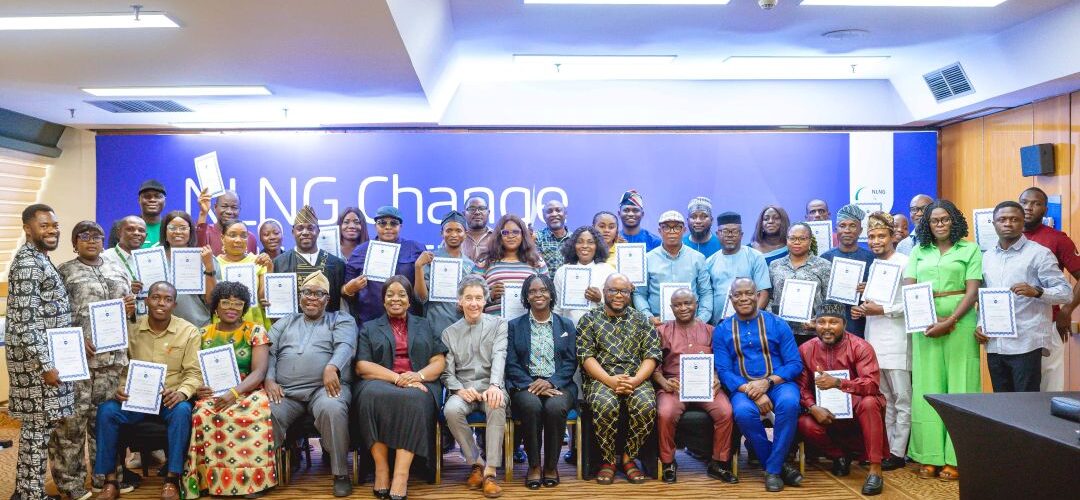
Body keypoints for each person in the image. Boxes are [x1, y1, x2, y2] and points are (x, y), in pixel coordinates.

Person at [51, 221, 136, 500]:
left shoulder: (117, 268)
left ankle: (106, 478)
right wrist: (74, 337)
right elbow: (53, 315)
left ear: (104, 240)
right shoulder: (64, 272)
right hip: (77, 362)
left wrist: (131, 307)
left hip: (112, 362)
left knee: (105, 422)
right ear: (74, 243)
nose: (91, 240)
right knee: (71, 425)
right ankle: (70, 483)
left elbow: (130, 310)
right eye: (83, 236)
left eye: (96, 236)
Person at [94, 281, 201, 500]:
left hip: (169, 399)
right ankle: (111, 480)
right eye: (156, 297)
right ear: (146, 300)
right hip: (136, 399)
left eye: (167, 299)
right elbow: (121, 367)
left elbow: (194, 373)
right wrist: (120, 388)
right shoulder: (131, 330)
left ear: (175, 304)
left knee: (182, 411)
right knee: (106, 411)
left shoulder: (188, 331)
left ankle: (172, 479)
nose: (161, 303)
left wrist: (181, 393)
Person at [902, 199, 981, 481]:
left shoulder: (970, 249)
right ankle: (930, 456)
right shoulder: (918, 251)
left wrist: (950, 321)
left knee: (961, 386)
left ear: (954, 221)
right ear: (927, 224)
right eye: (934, 220)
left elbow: (972, 291)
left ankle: (957, 457)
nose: (939, 224)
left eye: (945, 219)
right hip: (925, 327)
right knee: (928, 388)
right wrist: (927, 321)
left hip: (960, 325)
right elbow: (909, 287)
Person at [354, 275, 447, 500]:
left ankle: (401, 474)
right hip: (380, 381)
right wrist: (397, 378)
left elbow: (439, 362)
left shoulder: (425, 325)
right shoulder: (369, 327)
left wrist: (418, 375)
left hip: (419, 383)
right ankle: (382, 469)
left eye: (402, 294)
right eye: (390, 294)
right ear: (383, 299)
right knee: (369, 397)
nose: (396, 299)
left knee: (414, 399)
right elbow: (362, 366)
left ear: (409, 299)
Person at [265, 271, 357, 497]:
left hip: (326, 389)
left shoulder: (341, 319)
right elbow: (269, 352)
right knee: (266, 411)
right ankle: (266, 474)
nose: (312, 298)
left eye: (319, 294)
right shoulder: (285, 322)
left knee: (333, 408)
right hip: (286, 393)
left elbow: (346, 345)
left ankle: (340, 473)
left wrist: (332, 366)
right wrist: (269, 378)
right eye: (307, 292)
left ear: (327, 299)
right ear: (300, 296)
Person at [182, 282, 277, 499]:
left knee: (251, 414)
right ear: (216, 306)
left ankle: (252, 482)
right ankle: (211, 481)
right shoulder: (202, 333)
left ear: (244, 308)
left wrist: (234, 393)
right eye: (225, 302)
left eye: (238, 303)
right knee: (202, 414)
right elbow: (193, 370)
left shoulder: (255, 330)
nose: (231, 308)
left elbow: (259, 372)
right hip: (213, 393)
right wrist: (199, 388)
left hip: (248, 390)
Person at [6, 204, 75, 500]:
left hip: (41, 361)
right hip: (36, 366)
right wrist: (46, 364)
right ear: (28, 228)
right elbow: (25, 321)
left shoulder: (39, 259)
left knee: (38, 432)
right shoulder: (28, 264)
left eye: (55, 225)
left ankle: (26, 492)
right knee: (36, 434)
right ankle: (31, 496)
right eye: (44, 225)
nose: (52, 230)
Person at [713, 278, 804, 492]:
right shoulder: (722, 329)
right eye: (738, 294)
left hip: (778, 382)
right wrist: (752, 391)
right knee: (743, 413)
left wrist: (767, 383)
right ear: (731, 298)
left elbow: (794, 363)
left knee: (790, 403)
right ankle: (778, 466)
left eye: (748, 293)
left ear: (757, 295)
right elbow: (724, 371)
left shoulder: (777, 323)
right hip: (743, 387)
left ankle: (771, 470)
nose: (743, 298)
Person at [976, 201, 1071, 393]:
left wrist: (1038, 291)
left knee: (1025, 405)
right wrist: (981, 324)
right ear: (993, 223)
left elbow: (1066, 292)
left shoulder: (1039, 254)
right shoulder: (986, 257)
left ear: (1022, 223)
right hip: (995, 344)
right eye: (1002, 219)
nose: (1008, 224)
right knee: (1002, 405)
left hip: (1026, 343)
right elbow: (984, 296)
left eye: (1014, 219)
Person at [796, 302, 888, 497]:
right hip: (825, 412)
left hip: (857, 411)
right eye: (821, 322)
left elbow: (871, 385)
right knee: (804, 422)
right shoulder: (805, 349)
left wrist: (839, 383)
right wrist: (812, 408)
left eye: (833, 322)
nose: (827, 327)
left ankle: (875, 470)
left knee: (871, 402)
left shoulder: (860, 346)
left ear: (844, 324)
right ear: (815, 324)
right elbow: (801, 387)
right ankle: (839, 456)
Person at [577, 274, 660, 485]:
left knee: (646, 405)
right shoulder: (589, 319)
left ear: (630, 293)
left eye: (623, 291)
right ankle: (607, 460)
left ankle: (628, 458)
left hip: (637, 378)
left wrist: (634, 381)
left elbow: (651, 356)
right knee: (605, 404)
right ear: (604, 292)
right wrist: (610, 380)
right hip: (601, 378)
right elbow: (586, 357)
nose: (618, 295)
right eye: (613, 290)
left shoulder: (642, 320)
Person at [653, 288, 735, 484]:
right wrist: (664, 382)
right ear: (671, 308)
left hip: (706, 385)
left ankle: (719, 463)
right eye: (678, 305)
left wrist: (717, 378)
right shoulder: (661, 331)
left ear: (696, 304)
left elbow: (722, 363)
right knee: (665, 413)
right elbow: (654, 366)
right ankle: (668, 463)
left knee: (726, 411)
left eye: (687, 303)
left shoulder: (711, 331)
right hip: (675, 385)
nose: (683, 308)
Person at [505, 274, 577, 489]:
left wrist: (551, 382)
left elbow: (571, 361)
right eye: (533, 291)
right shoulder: (514, 326)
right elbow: (511, 362)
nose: (538, 294)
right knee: (531, 404)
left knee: (555, 407)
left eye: (543, 290)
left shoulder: (566, 325)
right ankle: (534, 465)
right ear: (526, 297)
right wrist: (532, 384)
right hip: (525, 385)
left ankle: (551, 466)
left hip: (559, 385)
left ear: (551, 293)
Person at [851, 212, 910, 470]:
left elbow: (910, 302)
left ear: (893, 236)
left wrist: (882, 310)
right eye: (872, 236)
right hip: (874, 339)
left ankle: (898, 452)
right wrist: (862, 307)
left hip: (897, 339)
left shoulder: (906, 262)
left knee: (902, 398)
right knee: (882, 398)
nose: (875, 241)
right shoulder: (874, 265)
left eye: (881, 236)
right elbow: (875, 301)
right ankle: (883, 449)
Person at [441, 275, 509, 498]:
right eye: (468, 298)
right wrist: (459, 389)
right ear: (460, 301)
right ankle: (476, 463)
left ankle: (490, 472)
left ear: (485, 300)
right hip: (464, 389)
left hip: (491, 385)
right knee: (451, 409)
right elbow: (447, 372)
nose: (474, 303)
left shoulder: (499, 324)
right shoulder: (449, 333)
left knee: (496, 404)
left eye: (479, 298)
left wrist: (495, 386)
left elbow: (500, 356)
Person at [1019, 186, 1080, 391]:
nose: (1029, 207)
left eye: (1036, 204)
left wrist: (1067, 310)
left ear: (1045, 210)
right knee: (1020, 387)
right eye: (1025, 202)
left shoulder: (1057, 238)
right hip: (1015, 326)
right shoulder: (1005, 239)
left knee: (1049, 385)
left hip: (1049, 322)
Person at [342, 206, 425, 324]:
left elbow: (423, 293)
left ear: (400, 226)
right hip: (370, 322)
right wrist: (349, 288)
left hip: (407, 323)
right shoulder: (360, 251)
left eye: (393, 223)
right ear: (375, 225)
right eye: (382, 223)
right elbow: (344, 292)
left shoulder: (416, 249)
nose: (388, 227)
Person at [632, 211, 712, 326]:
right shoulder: (647, 259)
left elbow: (706, 293)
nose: (672, 232)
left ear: (684, 230)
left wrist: (701, 319)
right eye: (666, 227)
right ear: (659, 231)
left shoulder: (698, 259)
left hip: (692, 324)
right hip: (658, 325)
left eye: (677, 227)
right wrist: (648, 317)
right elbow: (639, 293)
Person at [414, 210, 477, 336]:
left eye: (458, 230)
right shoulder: (430, 259)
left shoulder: (470, 266)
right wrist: (418, 267)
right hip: (433, 327)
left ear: (466, 234)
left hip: (461, 329)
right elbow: (421, 298)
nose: (453, 234)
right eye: (449, 230)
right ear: (441, 233)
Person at [273, 205, 347, 313]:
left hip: (328, 327)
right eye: (300, 228)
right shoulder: (279, 263)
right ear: (293, 232)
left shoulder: (336, 264)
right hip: (292, 327)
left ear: (318, 231)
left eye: (310, 228)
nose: (305, 232)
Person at [769, 223, 831, 344]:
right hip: (781, 331)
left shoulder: (824, 265)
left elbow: (828, 299)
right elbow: (770, 297)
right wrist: (773, 321)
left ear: (810, 240)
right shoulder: (775, 265)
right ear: (787, 240)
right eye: (792, 238)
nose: (797, 242)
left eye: (802, 238)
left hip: (812, 332)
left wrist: (820, 321)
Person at [704, 211, 771, 324]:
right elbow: (706, 295)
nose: (730, 235)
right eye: (725, 231)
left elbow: (763, 292)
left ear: (741, 234)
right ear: (717, 234)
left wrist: (752, 319)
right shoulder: (710, 261)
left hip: (750, 322)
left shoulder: (755, 257)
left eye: (734, 231)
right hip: (719, 324)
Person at [821, 204, 875, 337]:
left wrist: (869, 290)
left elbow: (880, 295)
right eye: (842, 225)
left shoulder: (872, 259)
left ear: (861, 230)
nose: (847, 230)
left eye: (852, 226)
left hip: (861, 323)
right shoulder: (825, 259)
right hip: (831, 324)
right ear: (836, 229)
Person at [477, 214, 547, 317]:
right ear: (499, 236)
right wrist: (490, 295)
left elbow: (548, 295)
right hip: (493, 327)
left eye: (516, 232)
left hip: (527, 326)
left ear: (523, 234)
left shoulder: (537, 262)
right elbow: (470, 295)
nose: (510, 236)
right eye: (505, 232)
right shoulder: (485, 261)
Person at [160, 210, 216, 327]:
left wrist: (209, 266)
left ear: (191, 232)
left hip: (198, 327)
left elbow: (212, 300)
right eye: (172, 228)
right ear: (164, 232)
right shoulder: (155, 259)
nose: (178, 232)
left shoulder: (206, 257)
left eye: (183, 228)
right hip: (161, 329)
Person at [215, 219, 273, 330]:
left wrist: (269, 270)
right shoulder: (214, 263)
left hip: (254, 324)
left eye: (243, 236)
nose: (238, 240)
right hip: (223, 326)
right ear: (222, 238)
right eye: (232, 235)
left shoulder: (258, 262)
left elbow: (263, 298)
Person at [553, 225, 615, 324]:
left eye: (590, 242)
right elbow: (557, 308)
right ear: (573, 245)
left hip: (601, 331)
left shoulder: (609, 271)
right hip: (570, 331)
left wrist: (600, 299)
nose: (585, 246)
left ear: (597, 246)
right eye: (579, 242)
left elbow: (617, 307)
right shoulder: (562, 271)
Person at [101, 215, 147, 312]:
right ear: (119, 233)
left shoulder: (150, 259)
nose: (136, 233)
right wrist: (126, 288)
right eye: (130, 229)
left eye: (141, 230)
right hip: (117, 316)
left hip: (146, 318)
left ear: (145, 236)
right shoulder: (104, 258)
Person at [195, 189, 258, 255]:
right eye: (224, 206)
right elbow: (198, 256)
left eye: (234, 207)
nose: (229, 211)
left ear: (239, 210)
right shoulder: (206, 233)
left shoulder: (250, 238)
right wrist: (203, 213)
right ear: (215, 208)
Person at [535, 200, 570, 277]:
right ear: (544, 216)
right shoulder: (536, 238)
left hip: (569, 286)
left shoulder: (575, 239)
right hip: (544, 287)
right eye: (549, 211)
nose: (554, 214)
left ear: (565, 214)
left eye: (558, 210)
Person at [463, 196, 494, 263]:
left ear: (488, 213)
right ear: (464, 214)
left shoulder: (498, 237)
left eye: (482, 208)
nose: (477, 212)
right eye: (472, 209)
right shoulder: (455, 238)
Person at [137, 180, 166, 248]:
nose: (152, 200)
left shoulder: (173, 228)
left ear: (164, 200)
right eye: (147, 196)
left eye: (158, 196)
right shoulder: (123, 227)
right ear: (139, 200)